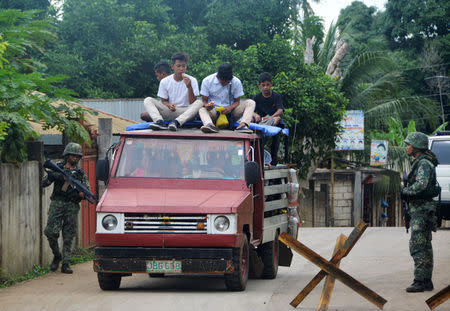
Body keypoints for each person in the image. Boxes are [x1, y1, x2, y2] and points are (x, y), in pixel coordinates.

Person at [42, 142, 90, 274]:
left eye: (77, 156)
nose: (75, 158)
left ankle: (66, 263)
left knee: (69, 235)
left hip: (72, 206)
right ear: (67, 155)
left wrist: (82, 194)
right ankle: (57, 255)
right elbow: (44, 183)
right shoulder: (58, 168)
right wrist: (55, 176)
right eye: (72, 155)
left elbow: (87, 190)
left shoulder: (80, 174)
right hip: (57, 203)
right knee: (50, 232)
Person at [401, 132, 440, 292]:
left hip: (421, 210)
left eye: (409, 144)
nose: (407, 147)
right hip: (423, 210)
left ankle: (420, 280)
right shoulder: (423, 162)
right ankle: (425, 280)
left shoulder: (423, 163)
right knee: (425, 246)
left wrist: (405, 191)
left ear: (416, 147)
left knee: (418, 246)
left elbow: (421, 185)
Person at [144, 52, 203, 131]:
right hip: (171, 111)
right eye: (178, 66)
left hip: (187, 112)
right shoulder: (165, 81)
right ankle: (159, 122)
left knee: (200, 102)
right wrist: (169, 105)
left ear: (186, 66)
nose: (181, 69)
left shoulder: (192, 80)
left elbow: (193, 103)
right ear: (172, 67)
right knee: (148, 99)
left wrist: (189, 87)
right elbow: (164, 101)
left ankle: (176, 122)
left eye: (183, 66)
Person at [198, 63, 255, 134]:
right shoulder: (207, 81)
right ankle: (210, 125)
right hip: (214, 113)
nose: (224, 84)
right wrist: (208, 105)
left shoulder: (236, 82)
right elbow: (204, 100)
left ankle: (243, 125)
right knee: (202, 109)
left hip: (230, 114)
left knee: (251, 102)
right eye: (222, 82)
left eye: (227, 82)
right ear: (217, 77)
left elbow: (237, 102)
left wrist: (230, 108)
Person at [252, 72, 284, 166]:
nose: (266, 87)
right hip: (261, 121)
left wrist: (271, 117)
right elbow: (250, 110)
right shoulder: (257, 97)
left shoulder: (276, 96)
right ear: (260, 85)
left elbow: (280, 110)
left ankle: (273, 161)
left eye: (267, 85)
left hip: (273, 120)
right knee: (251, 120)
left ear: (271, 84)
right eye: (263, 85)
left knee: (277, 119)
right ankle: (259, 159)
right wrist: (255, 115)